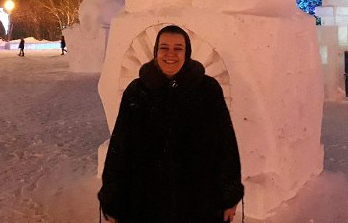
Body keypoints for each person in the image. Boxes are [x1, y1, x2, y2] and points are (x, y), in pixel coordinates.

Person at [98, 25, 244, 223]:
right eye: (164, 47)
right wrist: (112, 199)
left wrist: (230, 195)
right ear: (156, 51)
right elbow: (120, 147)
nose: (170, 54)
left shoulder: (207, 90)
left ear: (187, 52)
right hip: (146, 201)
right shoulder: (137, 91)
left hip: (198, 200)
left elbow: (226, 144)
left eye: (178, 48)